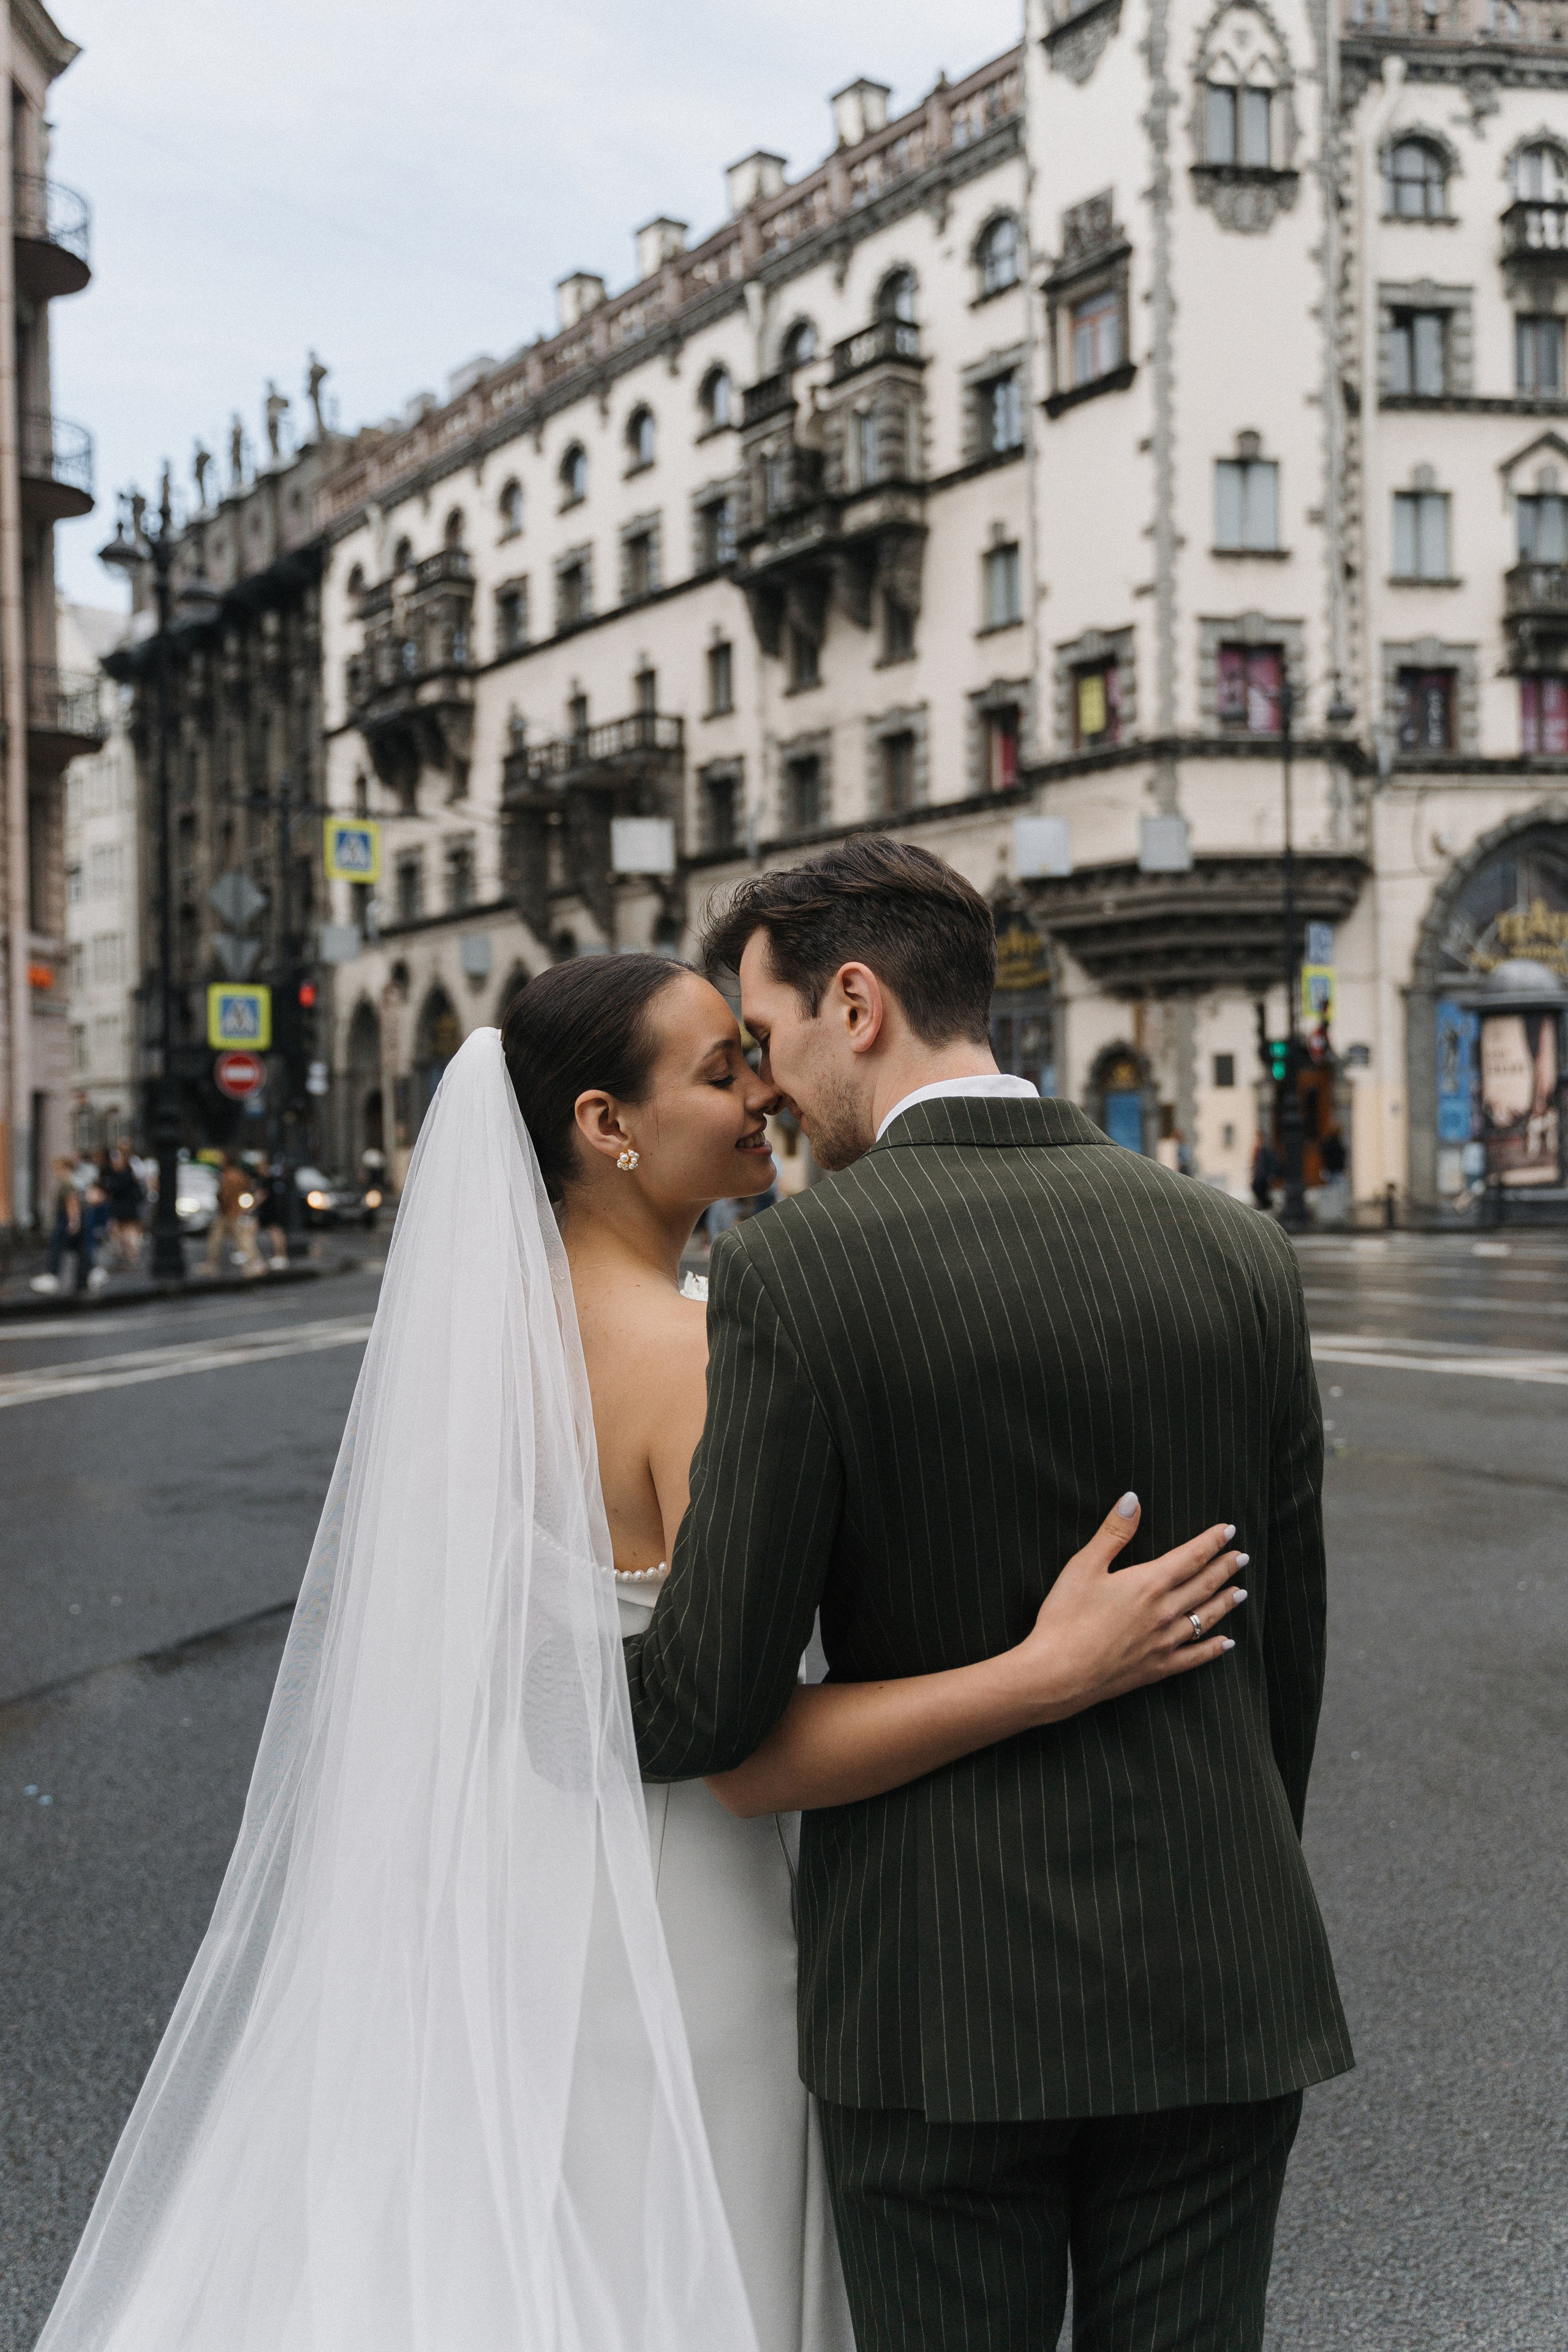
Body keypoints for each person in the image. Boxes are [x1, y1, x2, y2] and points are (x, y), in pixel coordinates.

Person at [36, 960, 1248, 2352]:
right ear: (607, 1125)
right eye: (721, 1069)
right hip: (684, 1922)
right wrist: (1050, 1669)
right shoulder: (697, 1355)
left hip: (493, 1891)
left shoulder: (474, 1350)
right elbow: (739, 1755)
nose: (760, 1094)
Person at [625, 838, 1352, 2352]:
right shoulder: (1238, 1251)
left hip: (936, 2001)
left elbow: (707, 1699)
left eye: (764, 1044)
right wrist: (1214, 1862)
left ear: (854, 1001)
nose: (763, 1091)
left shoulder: (800, 1272)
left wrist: (508, 1644)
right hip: (1217, 1970)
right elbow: (1282, 1654)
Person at [29, 1158, 89, 1294]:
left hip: (65, 1218)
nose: (56, 1172)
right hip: (66, 1218)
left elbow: (72, 1202)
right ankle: (84, 1278)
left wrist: (73, 1221)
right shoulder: (71, 1181)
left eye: (58, 1168)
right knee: (79, 1249)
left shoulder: (67, 1183)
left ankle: (54, 1275)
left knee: (57, 1246)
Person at [203, 1150, 263, 1277]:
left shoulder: (228, 1176)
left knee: (239, 1239)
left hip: (230, 1212)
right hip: (234, 1212)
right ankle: (211, 1264)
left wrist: (223, 1202)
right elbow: (250, 1187)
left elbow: (223, 1195)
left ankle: (255, 1263)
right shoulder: (239, 1175)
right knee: (217, 1238)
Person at [102, 1145, 145, 1272]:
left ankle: (131, 1258)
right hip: (121, 1208)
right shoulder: (122, 1174)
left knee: (128, 1234)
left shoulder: (125, 1175)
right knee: (119, 1233)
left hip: (125, 1208)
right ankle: (124, 1257)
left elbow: (119, 1189)